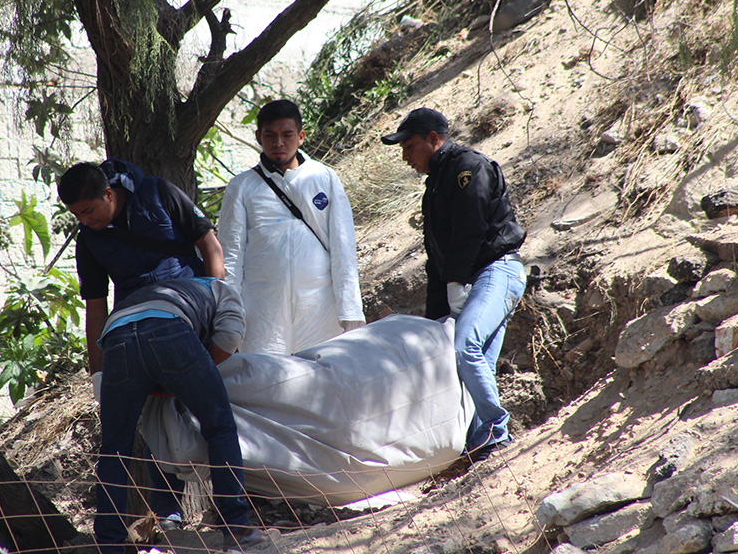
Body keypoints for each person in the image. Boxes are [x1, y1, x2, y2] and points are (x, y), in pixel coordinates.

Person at [382, 107, 527, 462]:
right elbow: (437, 255)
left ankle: (496, 427)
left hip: (497, 271)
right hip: (470, 277)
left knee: (465, 347)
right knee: (474, 360)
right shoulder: (436, 182)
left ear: (434, 139)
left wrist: (456, 281)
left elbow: (470, 229)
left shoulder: (467, 168)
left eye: (410, 146)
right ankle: (483, 443)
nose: (405, 156)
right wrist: (436, 318)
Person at [90, 277, 261, 552]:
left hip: (116, 337)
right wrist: (191, 373)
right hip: (169, 329)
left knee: (114, 450)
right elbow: (229, 337)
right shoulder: (225, 290)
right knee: (220, 427)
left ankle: (109, 544)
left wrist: (162, 380)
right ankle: (237, 527)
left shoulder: (159, 291)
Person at [57, 158, 224, 392]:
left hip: (192, 314)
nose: (84, 221)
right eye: (76, 215)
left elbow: (210, 245)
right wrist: (98, 375)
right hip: (139, 333)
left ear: (108, 194)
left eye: (88, 211)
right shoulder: (87, 240)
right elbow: (95, 308)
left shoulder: (158, 192)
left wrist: (219, 307)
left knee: (213, 397)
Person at [217, 99, 365, 356]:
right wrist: (229, 313)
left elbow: (343, 247)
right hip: (261, 309)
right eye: (270, 135)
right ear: (258, 137)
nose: (278, 143)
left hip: (319, 305)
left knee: (320, 376)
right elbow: (231, 254)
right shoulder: (241, 187)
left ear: (301, 136)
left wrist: (350, 310)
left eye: (287, 135)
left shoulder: (324, 177)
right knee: (265, 382)